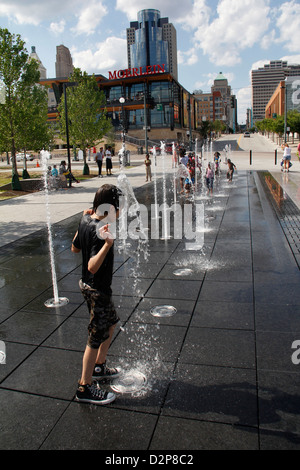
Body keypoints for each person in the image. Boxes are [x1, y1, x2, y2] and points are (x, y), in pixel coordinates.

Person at [71, 184, 122, 405]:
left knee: (110, 324)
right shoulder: (100, 229)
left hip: (89, 286)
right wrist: (107, 245)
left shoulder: (86, 219)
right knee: (94, 337)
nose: (119, 213)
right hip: (96, 289)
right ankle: (84, 387)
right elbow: (92, 265)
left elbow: (74, 248)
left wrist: (82, 223)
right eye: (117, 208)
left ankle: (99, 366)